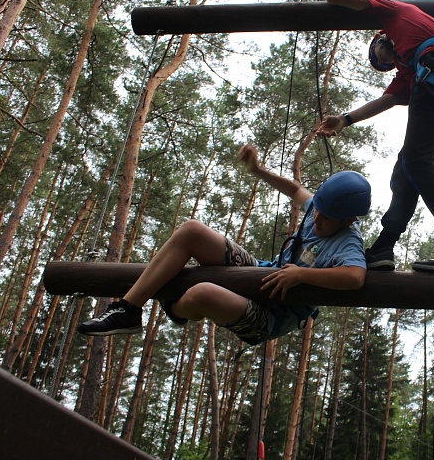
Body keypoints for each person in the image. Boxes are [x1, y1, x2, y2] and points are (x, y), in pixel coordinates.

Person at [78, 143, 371, 344]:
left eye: (326, 218)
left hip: (273, 316)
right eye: (316, 209)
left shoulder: (348, 240)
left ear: (347, 220)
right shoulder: (321, 207)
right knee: (192, 230)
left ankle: (175, 306)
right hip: (262, 271)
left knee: (201, 293)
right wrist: (257, 170)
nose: (316, 218)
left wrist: (301, 275)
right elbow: (295, 189)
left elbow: (355, 277)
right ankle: (127, 310)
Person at [317, 0, 434, 274]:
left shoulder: (394, 14)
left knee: (417, 162)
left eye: (381, 58)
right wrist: (345, 119)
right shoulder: (409, 69)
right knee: (406, 168)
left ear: (379, 39)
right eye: (384, 66)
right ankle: (384, 246)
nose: (387, 63)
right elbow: (388, 99)